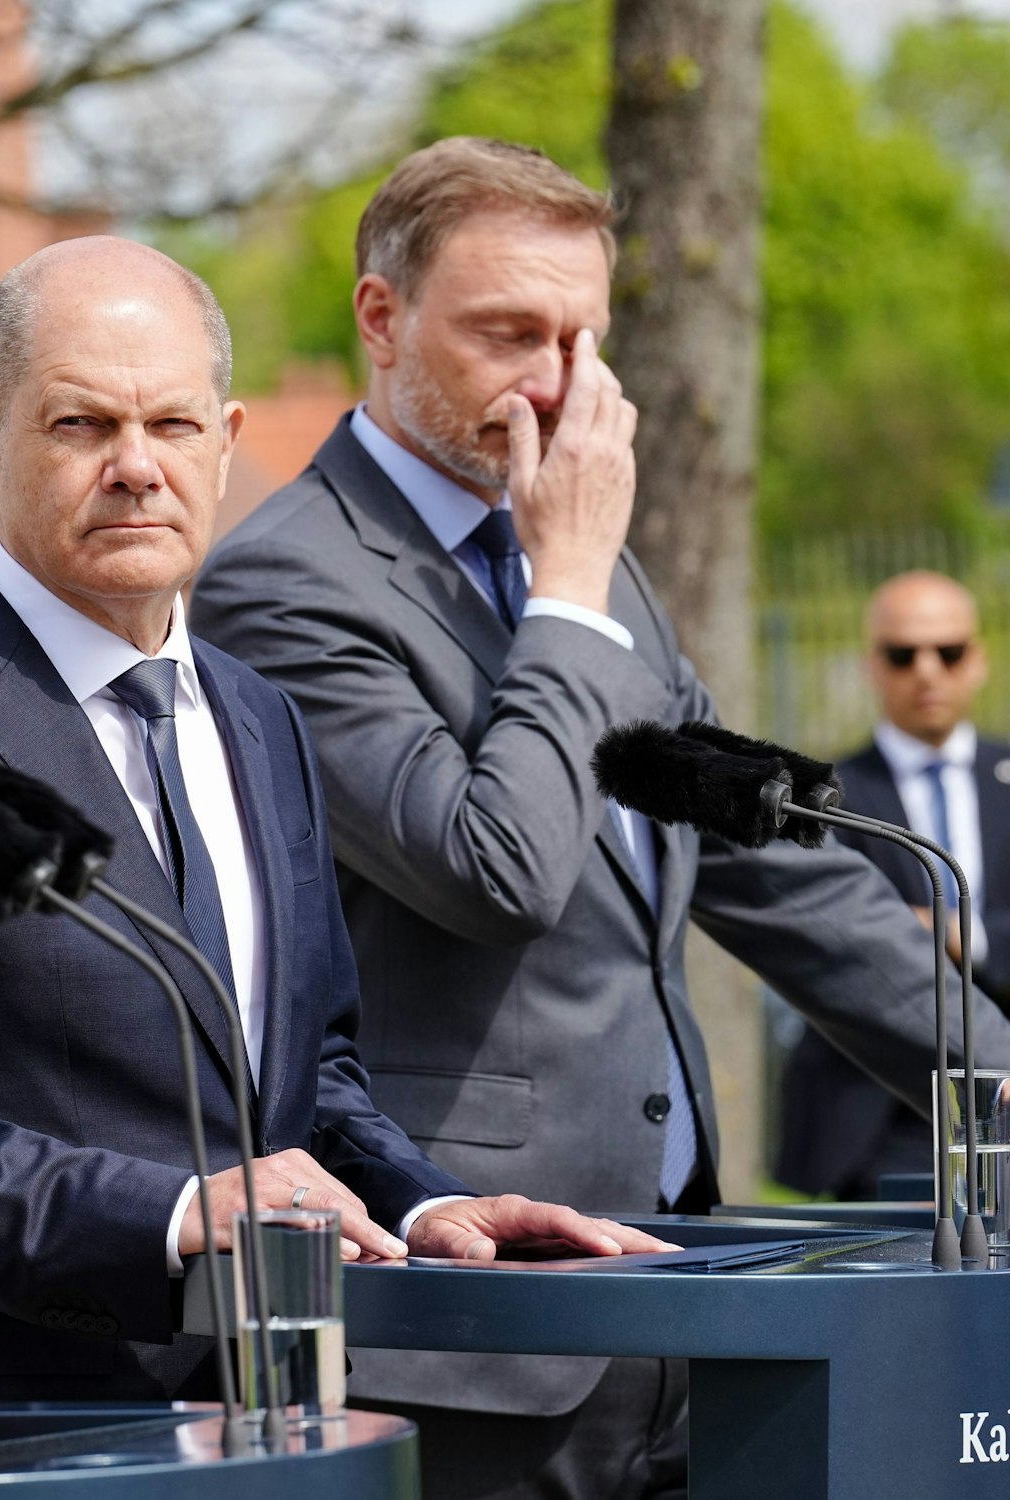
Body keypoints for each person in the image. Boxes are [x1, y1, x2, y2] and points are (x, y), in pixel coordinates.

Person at [188, 136, 1010, 1500]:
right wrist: (566, 588)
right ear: (380, 319)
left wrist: (994, 1067)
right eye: (509, 333)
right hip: (466, 1325)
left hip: (678, 1300)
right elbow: (490, 869)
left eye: (584, 337)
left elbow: (772, 872)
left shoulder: (590, 557)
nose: (560, 385)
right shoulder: (287, 585)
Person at [0, 234, 675, 1406]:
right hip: (11, 1431)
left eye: (172, 427)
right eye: (80, 426)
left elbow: (305, 1079)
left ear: (225, 448)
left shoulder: (256, 716)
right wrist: (172, 1214)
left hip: (279, 1410)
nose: (135, 467)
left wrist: (421, 1201)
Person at [776, 571, 1010, 1200]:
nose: (926, 671)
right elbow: (816, 934)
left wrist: (968, 937)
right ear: (873, 665)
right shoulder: (823, 798)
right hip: (875, 1108)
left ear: (978, 659)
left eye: (949, 651)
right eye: (903, 654)